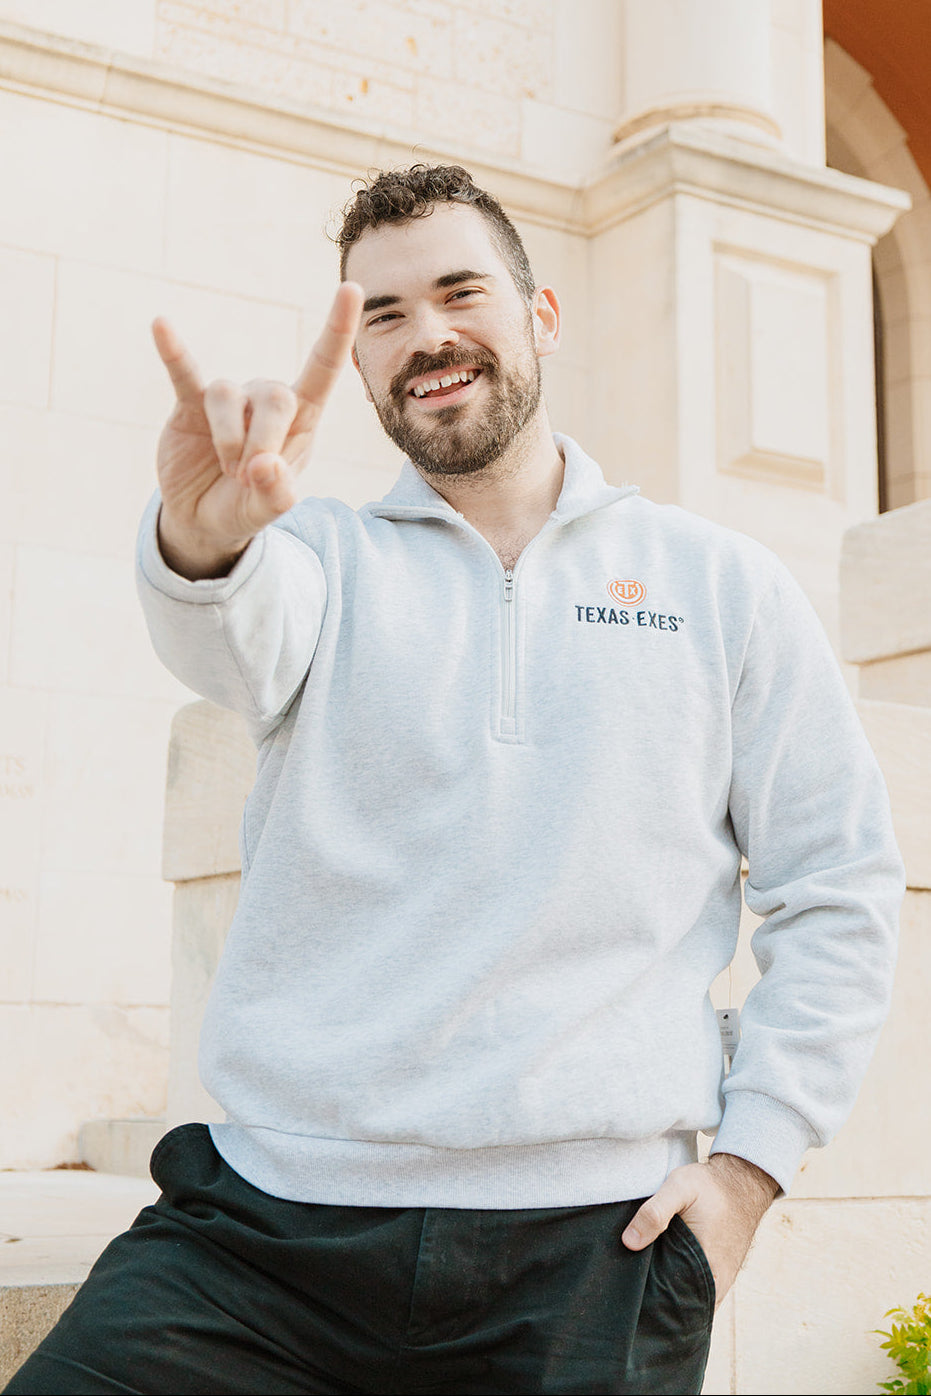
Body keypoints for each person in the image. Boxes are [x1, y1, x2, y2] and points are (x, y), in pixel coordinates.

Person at [5, 164, 903, 1396]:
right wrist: (204, 539)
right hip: (264, 1234)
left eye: (458, 292)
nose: (424, 335)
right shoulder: (312, 556)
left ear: (541, 316)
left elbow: (839, 885)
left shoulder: (721, 583)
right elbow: (229, 634)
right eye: (382, 314)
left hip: (591, 1252)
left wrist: (752, 1166)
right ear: (361, 361)